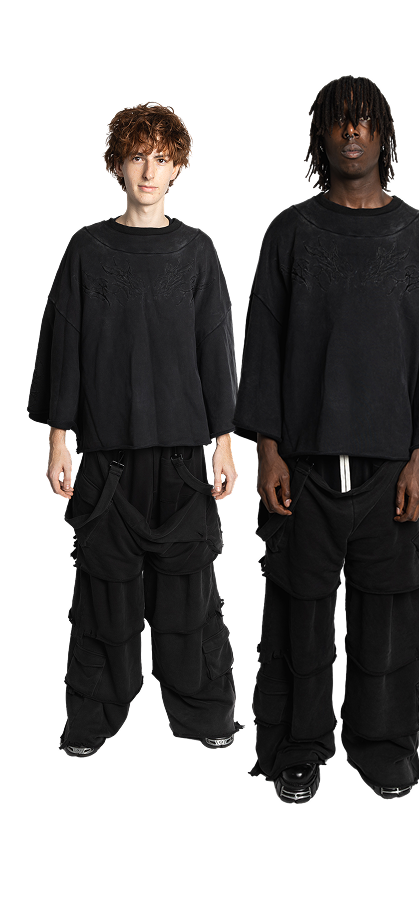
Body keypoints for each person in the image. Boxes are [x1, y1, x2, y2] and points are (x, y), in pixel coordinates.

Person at [232, 75, 419, 802]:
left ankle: (385, 745)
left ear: (383, 136)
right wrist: (266, 450)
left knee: (390, 620)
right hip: (304, 466)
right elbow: (263, 347)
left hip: (391, 466)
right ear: (321, 135)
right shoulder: (288, 231)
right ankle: (299, 746)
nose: (352, 132)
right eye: (340, 121)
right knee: (299, 618)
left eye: (365, 121)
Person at [27, 102, 243, 757]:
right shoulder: (87, 248)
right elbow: (64, 346)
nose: (148, 170)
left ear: (178, 169)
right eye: (137, 156)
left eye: (161, 158)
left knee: (191, 599)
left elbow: (216, 351)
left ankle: (205, 715)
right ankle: (91, 721)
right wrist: (58, 439)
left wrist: (224, 441)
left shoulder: (197, 250)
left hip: (185, 457)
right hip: (106, 456)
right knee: (103, 598)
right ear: (116, 164)